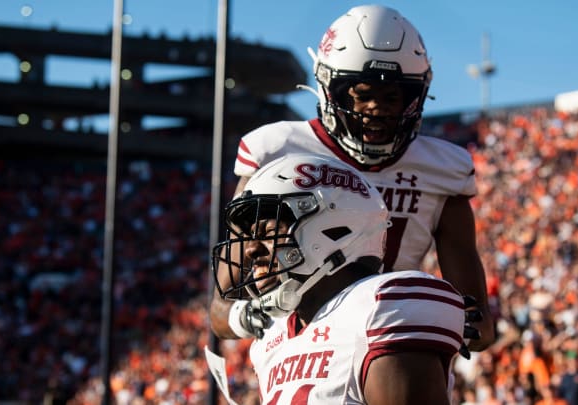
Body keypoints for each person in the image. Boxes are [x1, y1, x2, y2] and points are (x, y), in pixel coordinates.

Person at [209, 4, 494, 351]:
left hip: (392, 344)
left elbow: (480, 325)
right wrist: (251, 315)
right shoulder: (277, 150)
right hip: (299, 352)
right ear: (330, 89)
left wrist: (445, 318)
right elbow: (221, 307)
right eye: (362, 94)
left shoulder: (443, 170)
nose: (377, 108)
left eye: (393, 97)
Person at [211, 153, 467, 404]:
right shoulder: (272, 337)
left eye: (267, 231)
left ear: (331, 228)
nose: (250, 250)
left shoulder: (377, 309)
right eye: (249, 237)